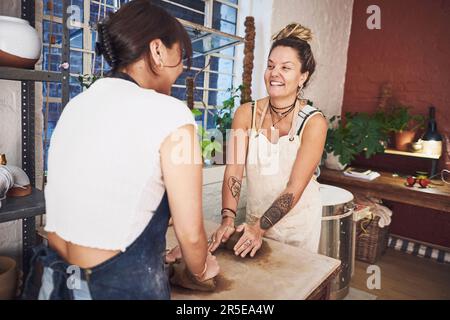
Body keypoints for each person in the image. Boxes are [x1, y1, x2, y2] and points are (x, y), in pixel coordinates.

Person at [23, 0, 219, 300]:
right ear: (157, 51)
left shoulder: (77, 105)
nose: (182, 69)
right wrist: (203, 268)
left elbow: (108, 197)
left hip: (53, 280)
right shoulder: (171, 113)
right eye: (182, 57)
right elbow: (191, 235)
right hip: (113, 286)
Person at [209, 23, 327, 258]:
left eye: (286, 68)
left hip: (297, 226)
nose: (275, 73)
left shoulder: (314, 123)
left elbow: (295, 188)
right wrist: (228, 218)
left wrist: (259, 228)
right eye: (271, 66)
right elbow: (234, 170)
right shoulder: (246, 114)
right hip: (254, 219)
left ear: (303, 76)